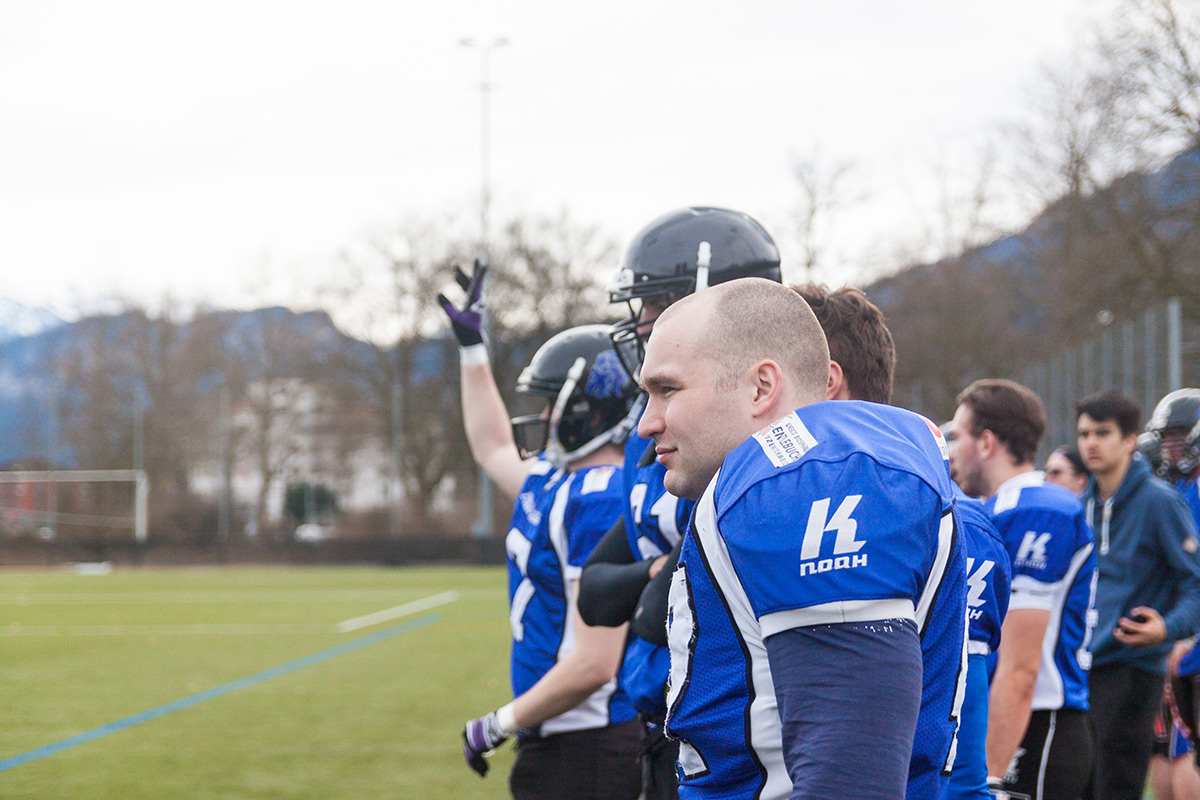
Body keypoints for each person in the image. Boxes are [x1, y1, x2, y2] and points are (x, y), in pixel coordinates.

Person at [638, 277, 967, 800]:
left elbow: (850, 782)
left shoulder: (809, 482)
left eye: (667, 389)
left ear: (762, 387)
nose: (646, 423)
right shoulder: (769, 483)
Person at [577, 207, 783, 800]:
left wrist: (657, 584)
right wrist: (657, 573)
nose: (637, 326)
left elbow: (650, 609)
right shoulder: (658, 449)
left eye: (650, 308)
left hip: (736, 738)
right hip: (664, 729)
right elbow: (596, 595)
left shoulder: (753, 456)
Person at [440, 264, 643, 800]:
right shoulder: (555, 480)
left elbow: (595, 663)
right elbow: (491, 446)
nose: (545, 413)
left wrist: (497, 723)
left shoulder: (598, 498)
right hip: (562, 739)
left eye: (553, 401)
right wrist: (471, 350)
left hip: (589, 744)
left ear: (588, 407)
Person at [949, 379, 1096, 800]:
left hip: (1037, 725)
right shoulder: (992, 508)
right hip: (1007, 718)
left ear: (987, 443)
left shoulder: (1037, 508)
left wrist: (989, 777)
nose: (952, 450)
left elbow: (1021, 669)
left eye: (960, 436)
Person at [1075, 391, 1200, 800]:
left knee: (1120, 787)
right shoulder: (1082, 506)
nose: (1091, 443)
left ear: (1129, 439)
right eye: (1084, 433)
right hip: (1082, 668)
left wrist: (1168, 627)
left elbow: (1195, 585)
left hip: (1133, 668)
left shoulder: (1159, 502)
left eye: (1103, 433)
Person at [1141, 389, 1200, 800]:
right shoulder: (1176, 493)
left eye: (1181, 437)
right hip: (1173, 642)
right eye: (1167, 439)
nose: (1172, 449)